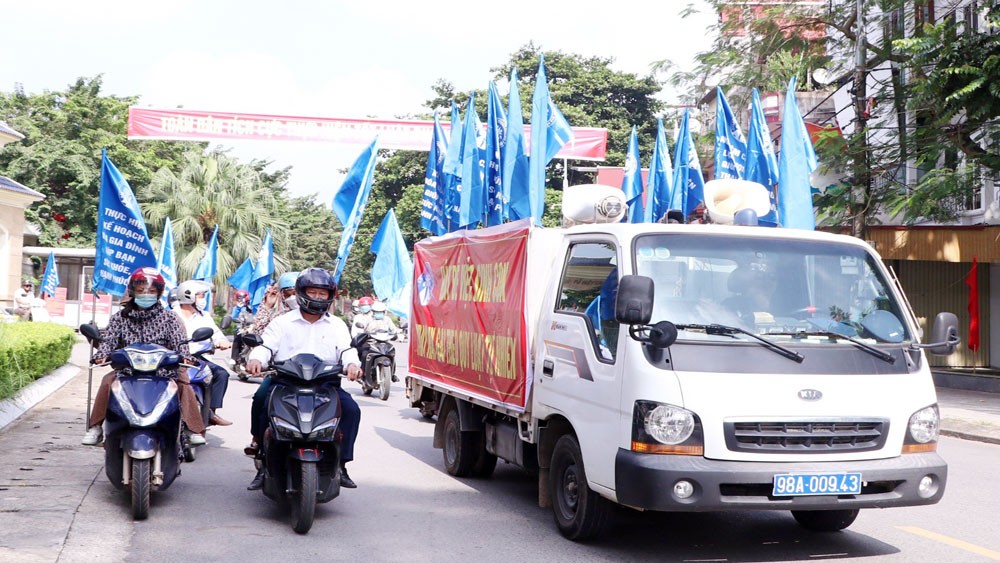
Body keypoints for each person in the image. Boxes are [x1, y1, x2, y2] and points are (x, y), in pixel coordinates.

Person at [245, 268, 362, 490]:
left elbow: (347, 350)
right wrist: (256, 360)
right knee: (261, 401)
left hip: (325, 383)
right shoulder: (282, 322)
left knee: (351, 410)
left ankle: (341, 465)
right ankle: (263, 459)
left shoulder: (337, 324)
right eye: (312, 292)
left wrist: (353, 365)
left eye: (322, 293)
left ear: (330, 296)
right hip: (285, 382)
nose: (317, 297)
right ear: (300, 292)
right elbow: (266, 346)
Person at [82, 268, 207, 446]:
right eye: (141, 291)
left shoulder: (170, 318)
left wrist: (184, 358)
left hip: (163, 371)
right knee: (107, 382)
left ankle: (191, 429)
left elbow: (180, 344)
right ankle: (95, 427)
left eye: (150, 291)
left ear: (158, 293)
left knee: (183, 384)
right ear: (133, 292)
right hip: (128, 371)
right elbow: (108, 342)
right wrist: (101, 356)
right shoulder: (120, 318)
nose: (145, 295)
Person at [173, 280, 234, 426]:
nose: (203, 300)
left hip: (198, 358)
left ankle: (211, 411)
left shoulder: (204, 316)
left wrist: (222, 342)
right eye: (200, 296)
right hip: (175, 358)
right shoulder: (171, 315)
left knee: (221, 374)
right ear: (188, 296)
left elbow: (217, 334)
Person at [356, 301, 400, 382]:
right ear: (373, 312)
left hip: (384, 342)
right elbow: (363, 327)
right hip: (371, 342)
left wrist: (397, 333)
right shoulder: (369, 319)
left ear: (384, 312)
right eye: (377, 312)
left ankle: (392, 374)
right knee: (365, 354)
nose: (379, 313)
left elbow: (393, 329)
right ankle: (362, 374)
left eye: (381, 312)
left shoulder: (387, 319)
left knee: (391, 353)